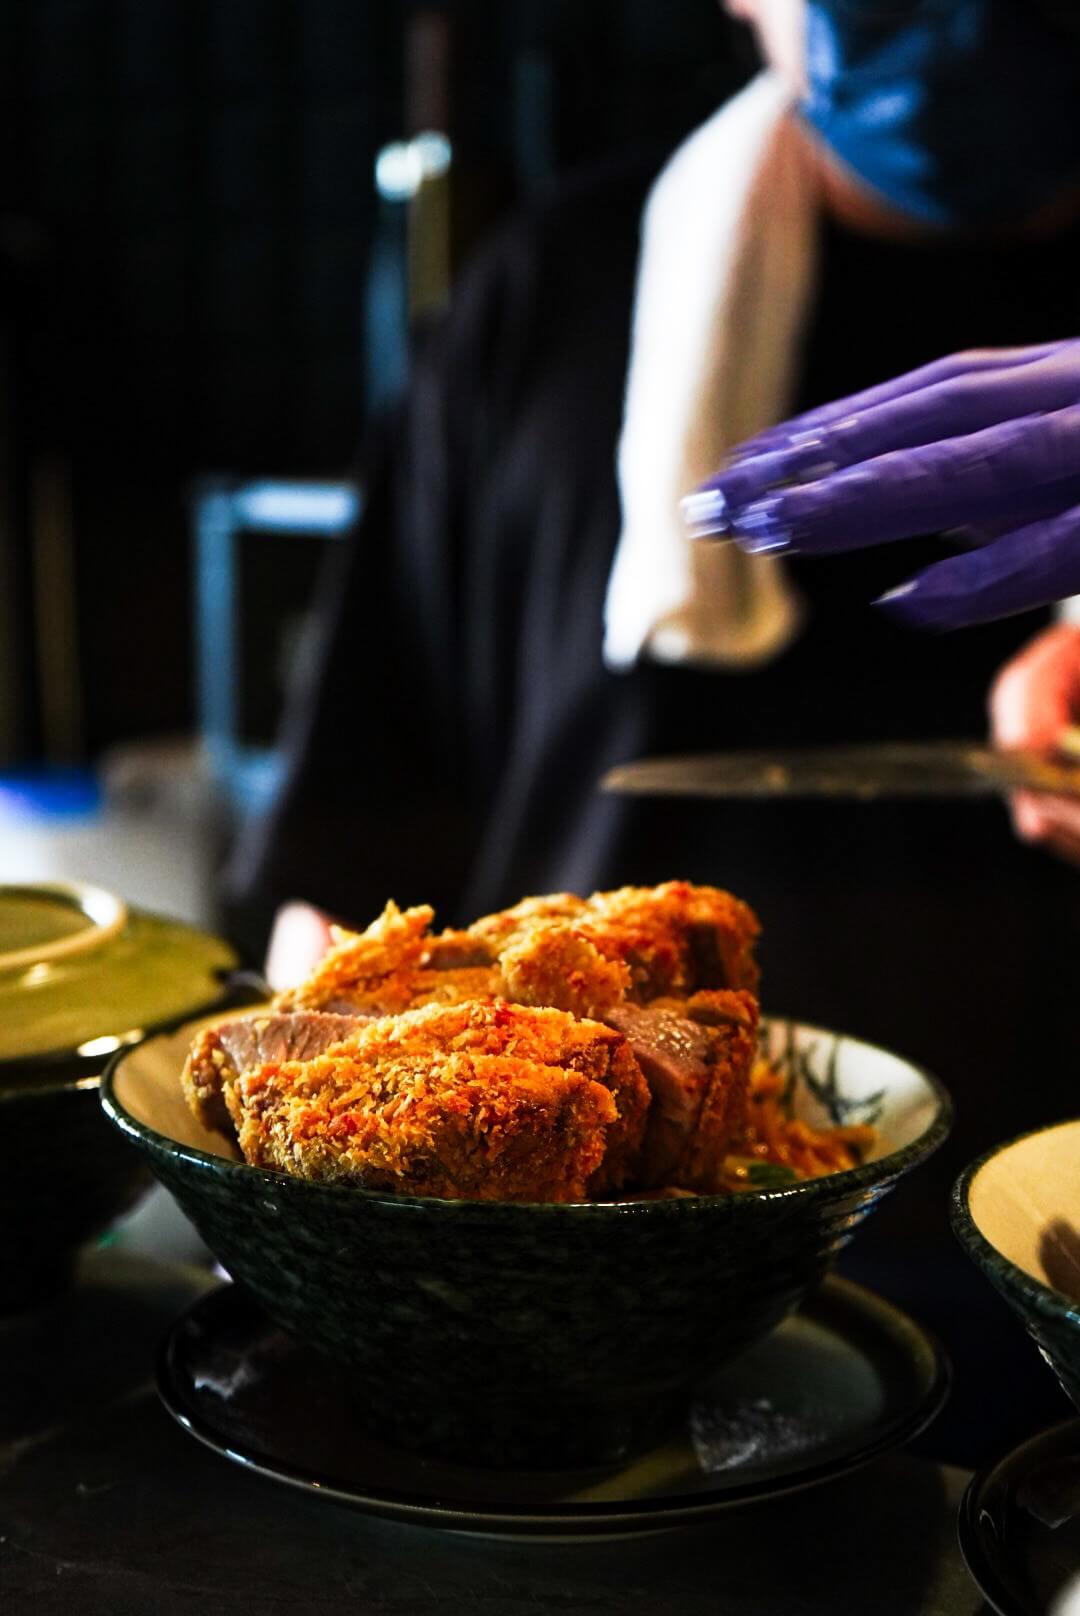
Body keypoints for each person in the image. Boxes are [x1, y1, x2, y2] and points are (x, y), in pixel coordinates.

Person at [226, 1, 1080, 1463]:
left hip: (1042, 1288)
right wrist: (337, 1044)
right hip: (564, 1304)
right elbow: (342, 836)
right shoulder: (554, 288)